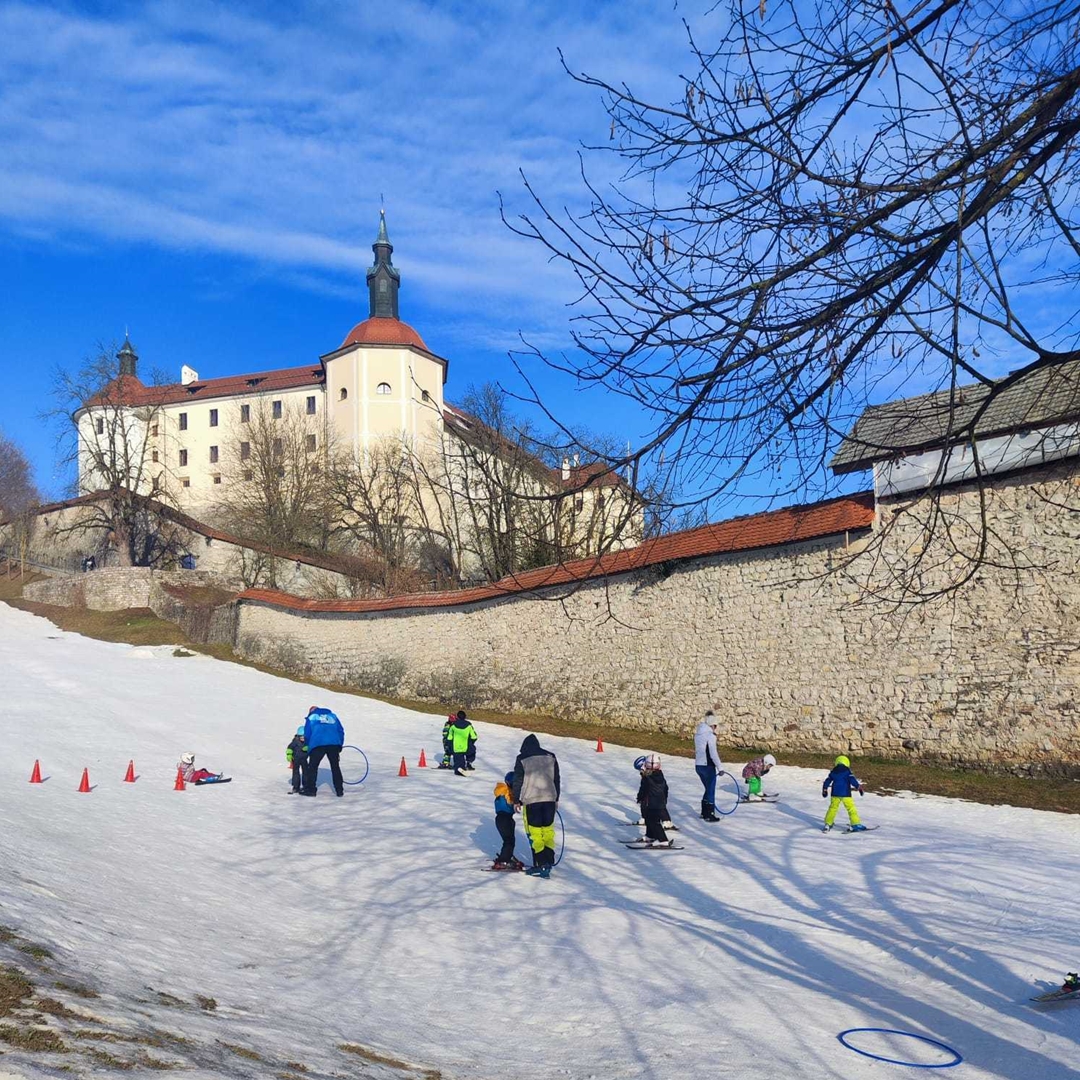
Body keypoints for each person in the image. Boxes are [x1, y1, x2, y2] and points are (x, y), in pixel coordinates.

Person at [512, 734, 560, 878]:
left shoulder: (522, 758)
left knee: (536, 833)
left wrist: (516, 800)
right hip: (550, 800)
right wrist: (556, 798)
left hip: (532, 801)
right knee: (548, 831)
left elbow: (518, 780)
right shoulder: (551, 756)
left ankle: (542, 864)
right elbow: (556, 779)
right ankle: (549, 861)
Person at [301, 706, 345, 797]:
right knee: (335, 767)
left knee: (313, 767)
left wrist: (307, 746)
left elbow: (307, 733)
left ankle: (311, 790)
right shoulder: (333, 716)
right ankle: (339, 790)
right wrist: (339, 744)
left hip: (317, 744)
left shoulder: (312, 717)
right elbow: (340, 730)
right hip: (333, 744)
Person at [822, 754, 867, 832]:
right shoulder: (847, 771)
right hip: (846, 794)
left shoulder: (833, 772)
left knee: (833, 808)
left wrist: (825, 789)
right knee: (851, 808)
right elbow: (852, 780)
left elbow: (827, 780)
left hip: (835, 794)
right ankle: (855, 824)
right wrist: (858, 787)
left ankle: (828, 824)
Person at [636, 754, 673, 847]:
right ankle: (650, 835)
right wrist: (664, 799)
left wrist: (640, 797)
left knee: (653, 821)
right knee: (649, 819)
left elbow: (643, 789)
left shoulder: (646, 777)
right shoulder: (660, 775)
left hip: (652, 802)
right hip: (660, 802)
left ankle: (663, 840)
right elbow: (666, 788)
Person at [491, 772, 525, 870]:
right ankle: (503, 860)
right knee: (509, 840)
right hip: (504, 818)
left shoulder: (505, 791)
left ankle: (507, 856)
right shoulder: (505, 791)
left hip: (506, 818)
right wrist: (520, 802)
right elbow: (510, 801)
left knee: (510, 840)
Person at [693, 710, 722, 822]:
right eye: (715, 726)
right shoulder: (710, 736)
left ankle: (704, 812)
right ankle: (710, 813)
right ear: (712, 725)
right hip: (708, 766)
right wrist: (720, 768)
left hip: (698, 765)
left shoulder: (698, 734)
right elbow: (713, 753)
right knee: (711, 789)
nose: (716, 728)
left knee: (707, 788)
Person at [448, 710, 478, 776]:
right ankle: (468, 763)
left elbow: (449, 738)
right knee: (472, 750)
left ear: (457, 717)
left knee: (458, 761)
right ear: (465, 717)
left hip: (456, 747)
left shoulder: (453, 726)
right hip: (466, 747)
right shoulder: (469, 726)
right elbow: (474, 737)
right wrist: (470, 742)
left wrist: (450, 745)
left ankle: (459, 769)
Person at [286, 726, 308, 795]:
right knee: (296, 773)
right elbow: (289, 748)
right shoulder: (295, 741)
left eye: (304, 737)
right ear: (298, 736)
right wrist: (289, 754)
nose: (303, 738)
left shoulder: (307, 742)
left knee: (306, 772)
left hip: (304, 759)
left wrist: (308, 748)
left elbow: (311, 747)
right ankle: (296, 787)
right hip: (296, 759)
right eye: (301, 737)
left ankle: (306, 786)